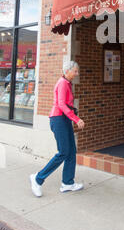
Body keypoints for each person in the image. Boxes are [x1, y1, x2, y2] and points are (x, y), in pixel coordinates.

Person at [30, 61, 85, 197]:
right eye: (75, 71)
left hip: (64, 120)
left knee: (71, 151)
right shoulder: (62, 83)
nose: (77, 74)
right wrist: (76, 119)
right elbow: (61, 104)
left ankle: (67, 183)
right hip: (58, 120)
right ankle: (37, 178)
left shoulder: (67, 83)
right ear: (68, 71)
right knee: (63, 152)